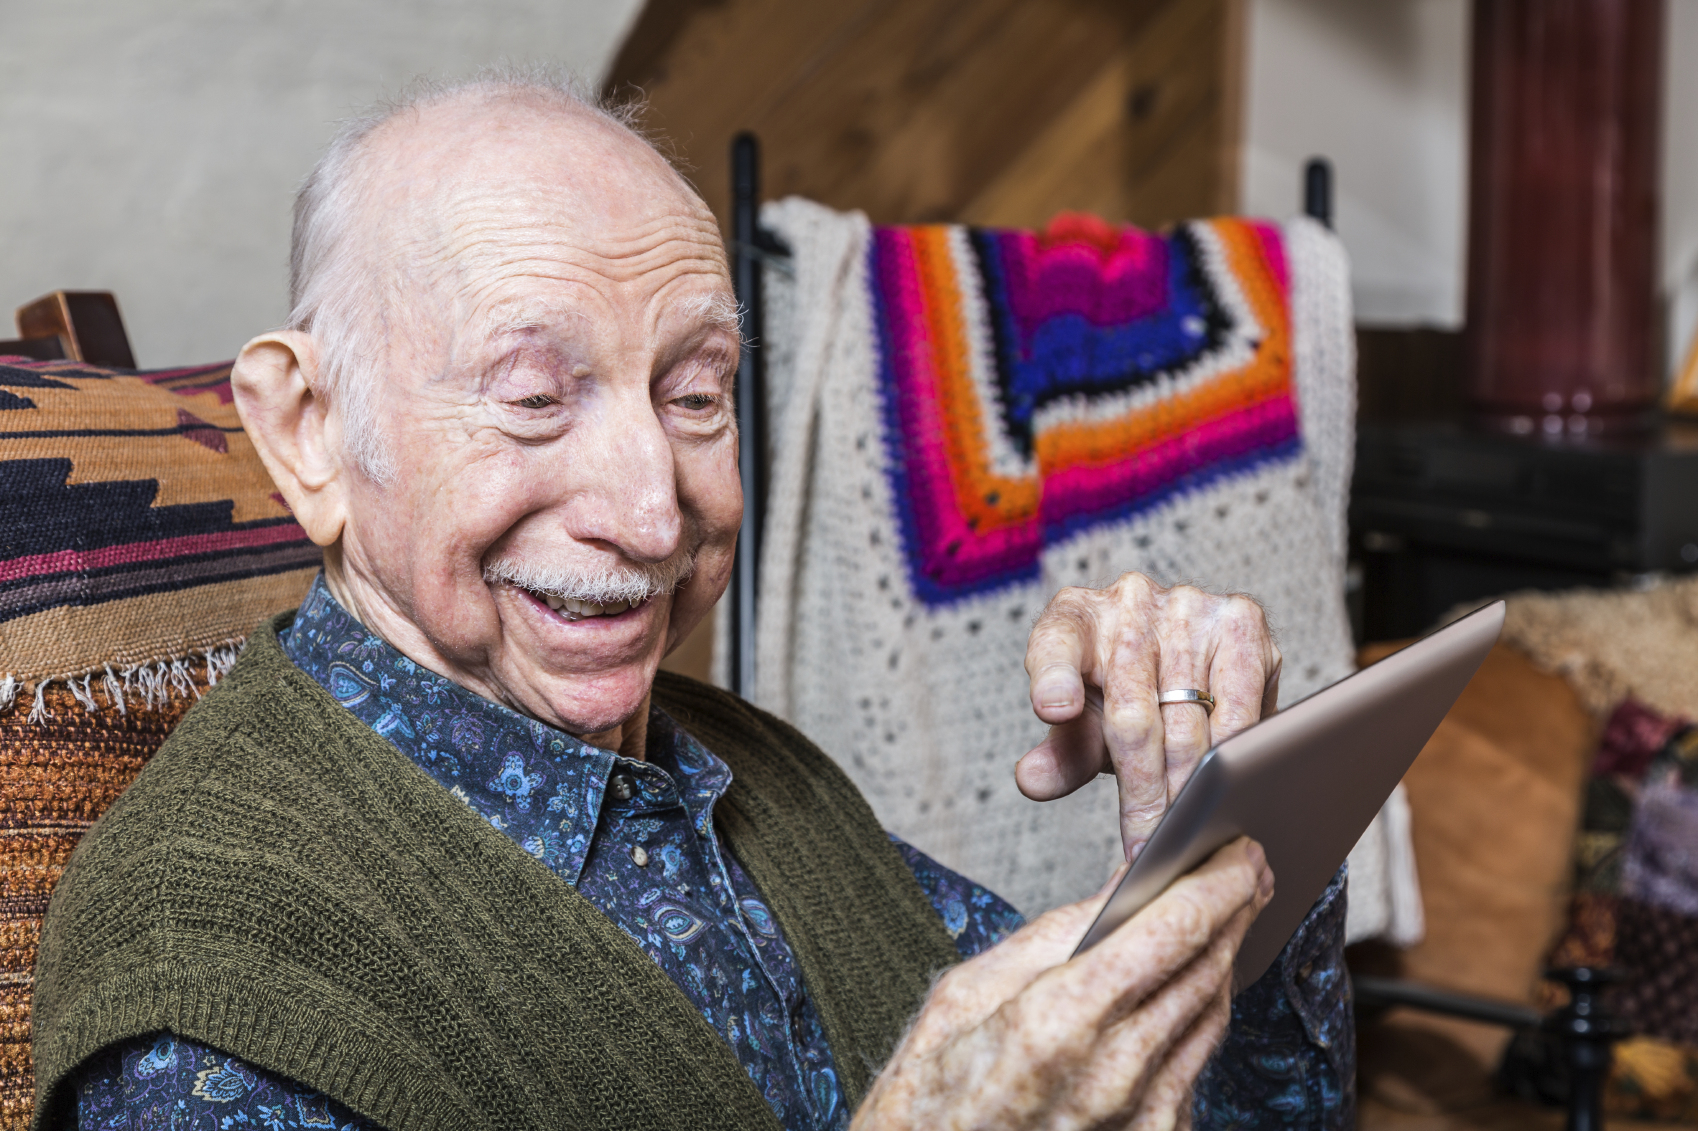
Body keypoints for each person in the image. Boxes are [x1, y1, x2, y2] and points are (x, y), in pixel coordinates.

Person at [33, 72, 1350, 1131]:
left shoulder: (744, 771)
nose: (656, 513)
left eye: (694, 392)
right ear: (311, 429)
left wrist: (1216, 828)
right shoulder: (212, 1001)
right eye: (534, 398)